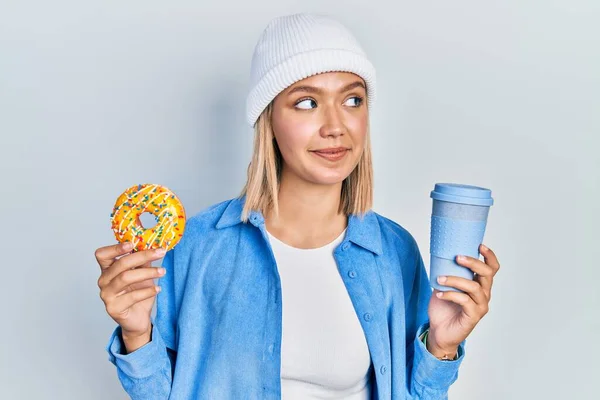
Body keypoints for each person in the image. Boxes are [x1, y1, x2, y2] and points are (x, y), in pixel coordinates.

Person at [96, 13, 500, 400]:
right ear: (268, 118)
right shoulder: (196, 246)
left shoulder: (394, 251)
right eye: (307, 102)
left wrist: (441, 347)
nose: (335, 125)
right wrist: (136, 335)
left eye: (353, 100)